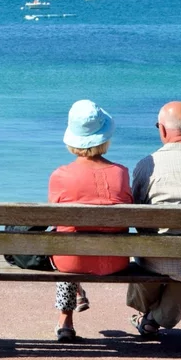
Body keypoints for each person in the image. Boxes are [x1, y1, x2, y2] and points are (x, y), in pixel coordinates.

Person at [49, 100, 133, 341]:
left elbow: (57, 220)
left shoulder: (60, 175)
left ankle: (65, 321)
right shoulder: (121, 173)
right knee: (68, 238)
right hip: (116, 261)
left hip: (72, 263)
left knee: (62, 239)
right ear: (105, 138)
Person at [127, 101, 181, 338]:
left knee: (155, 254)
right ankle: (155, 318)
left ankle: (150, 317)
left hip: (159, 257)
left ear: (161, 130)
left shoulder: (147, 165)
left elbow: (139, 217)